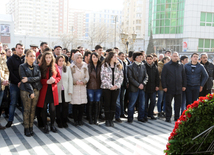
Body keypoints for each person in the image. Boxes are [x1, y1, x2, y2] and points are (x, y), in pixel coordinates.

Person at [19, 50, 42, 137]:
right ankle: (26, 128)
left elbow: (38, 77)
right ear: (27, 57)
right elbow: (24, 80)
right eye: (31, 56)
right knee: (27, 109)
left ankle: (31, 126)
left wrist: (29, 79)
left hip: (36, 89)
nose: (33, 57)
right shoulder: (22, 66)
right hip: (26, 90)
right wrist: (31, 91)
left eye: (34, 56)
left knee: (33, 109)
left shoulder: (36, 66)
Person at [37, 51, 61, 133]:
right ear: (44, 58)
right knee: (43, 108)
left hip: (53, 90)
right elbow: (38, 79)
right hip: (44, 90)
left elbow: (59, 77)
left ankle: (52, 125)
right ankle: (45, 126)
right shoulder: (40, 66)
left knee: (53, 109)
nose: (48, 59)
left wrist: (55, 80)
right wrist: (46, 81)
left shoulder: (55, 66)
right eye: (46, 57)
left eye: (49, 57)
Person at [161, 52, 186, 122]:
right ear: (171, 57)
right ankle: (168, 117)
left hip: (179, 88)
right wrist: (164, 86)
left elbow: (184, 76)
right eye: (174, 56)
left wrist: (184, 85)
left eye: (176, 56)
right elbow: (163, 77)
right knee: (168, 103)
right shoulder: (166, 66)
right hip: (169, 88)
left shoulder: (181, 65)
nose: (175, 57)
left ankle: (177, 117)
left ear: (178, 57)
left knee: (178, 104)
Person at [101, 51, 123, 127]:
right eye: (115, 57)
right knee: (107, 103)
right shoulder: (104, 65)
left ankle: (111, 119)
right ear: (110, 57)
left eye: (116, 56)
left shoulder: (118, 65)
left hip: (116, 88)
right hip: (107, 88)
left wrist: (116, 85)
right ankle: (107, 120)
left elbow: (121, 77)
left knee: (113, 104)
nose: (116, 58)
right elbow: (103, 77)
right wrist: (110, 86)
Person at [6, 43, 25, 128]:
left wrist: (22, 81)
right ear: (16, 49)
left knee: (24, 104)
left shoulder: (26, 59)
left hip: (24, 85)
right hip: (14, 84)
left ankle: (25, 120)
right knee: (13, 103)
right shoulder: (11, 59)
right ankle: (10, 120)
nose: (21, 50)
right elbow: (9, 72)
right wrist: (18, 81)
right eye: (19, 48)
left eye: (22, 48)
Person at [127, 52, 148, 123]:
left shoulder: (143, 66)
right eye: (139, 57)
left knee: (142, 104)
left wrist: (143, 83)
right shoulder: (130, 66)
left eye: (141, 57)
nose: (141, 58)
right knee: (132, 104)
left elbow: (146, 76)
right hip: (134, 88)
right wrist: (138, 85)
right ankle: (130, 118)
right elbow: (130, 78)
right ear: (135, 58)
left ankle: (141, 117)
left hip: (142, 88)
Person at [70, 52, 89, 126]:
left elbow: (87, 76)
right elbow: (70, 76)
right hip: (75, 87)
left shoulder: (85, 65)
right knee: (75, 105)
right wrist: (75, 81)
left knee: (82, 105)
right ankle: (75, 120)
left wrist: (84, 81)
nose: (79, 59)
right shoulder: (71, 66)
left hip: (82, 86)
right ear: (74, 58)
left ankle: (80, 119)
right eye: (77, 58)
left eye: (81, 57)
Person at [56, 55, 73, 128]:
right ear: (57, 61)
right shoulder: (54, 68)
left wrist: (70, 90)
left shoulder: (67, 68)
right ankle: (59, 121)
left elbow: (70, 80)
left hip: (65, 90)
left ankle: (64, 120)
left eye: (62, 61)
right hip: (57, 90)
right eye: (60, 61)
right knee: (58, 106)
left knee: (65, 106)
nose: (61, 62)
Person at [87, 52, 102, 125]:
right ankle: (90, 118)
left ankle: (96, 118)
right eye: (93, 57)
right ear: (91, 58)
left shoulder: (101, 66)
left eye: (96, 57)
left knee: (97, 103)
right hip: (90, 87)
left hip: (99, 87)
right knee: (91, 103)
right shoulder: (88, 66)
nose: (95, 58)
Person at [145, 54, 159, 120]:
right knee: (145, 102)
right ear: (146, 59)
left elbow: (157, 77)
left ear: (152, 59)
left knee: (153, 101)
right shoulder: (144, 66)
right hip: (145, 88)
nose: (149, 60)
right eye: (148, 59)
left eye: (150, 59)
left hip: (153, 87)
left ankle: (150, 114)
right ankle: (145, 114)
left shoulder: (155, 66)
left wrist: (157, 85)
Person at [115, 52, 128, 122]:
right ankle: (117, 115)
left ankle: (122, 113)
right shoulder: (117, 63)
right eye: (122, 56)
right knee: (118, 100)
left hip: (123, 84)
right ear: (118, 56)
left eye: (124, 56)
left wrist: (126, 82)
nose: (123, 57)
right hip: (117, 84)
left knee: (122, 99)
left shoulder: (124, 63)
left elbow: (125, 74)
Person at [0, 43, 9, 129]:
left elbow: (6, 70)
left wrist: (6, 80)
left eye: (1, 47)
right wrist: (2, 80)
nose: (0, 49)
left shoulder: (2, 58)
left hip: (2, 86)